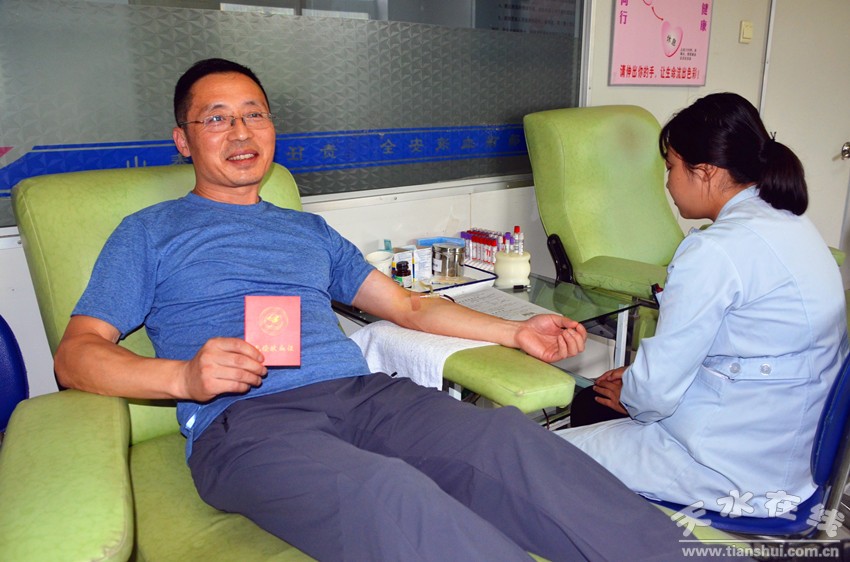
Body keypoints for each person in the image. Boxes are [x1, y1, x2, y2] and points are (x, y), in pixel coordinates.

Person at [54, 58, 695, 561]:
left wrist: (516, 331)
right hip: (247, 425)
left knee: (506, 440)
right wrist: (183, 378)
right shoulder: (149, 233)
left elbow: (409, 307)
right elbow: (76, 355)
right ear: (183, 140)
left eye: (254, 115)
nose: (241, 132)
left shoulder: (307, 231)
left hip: (362, 397)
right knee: (390, 494)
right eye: (217, 119)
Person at [559, 92, 849, 519]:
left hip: (728, 468)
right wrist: (639, 384)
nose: (667, 183)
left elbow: (655, 394)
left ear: (706, 171)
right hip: (792, 456)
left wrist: (636, 391)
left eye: (670, 167)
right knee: (596, 405)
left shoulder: (714, 251)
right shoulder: (793, 224)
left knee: (542, 455)